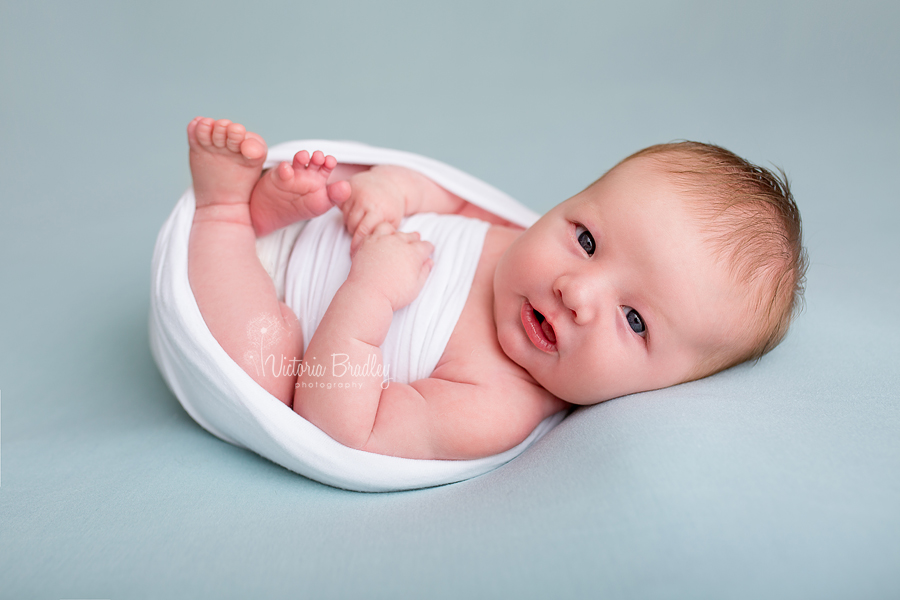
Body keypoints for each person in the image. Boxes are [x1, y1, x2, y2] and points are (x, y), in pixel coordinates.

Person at [186, 116, 806, 460]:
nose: (575, 292)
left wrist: (370, 295)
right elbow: (448, 196)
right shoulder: (513, 239)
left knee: (260, 362)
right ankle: (280, 207)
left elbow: (341, 425)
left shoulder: (496, 405)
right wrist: (391, 193)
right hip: (317, 236)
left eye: (635, 320)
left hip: (280, 323)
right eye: (587, 240)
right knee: (342, 183)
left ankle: (224, 217)